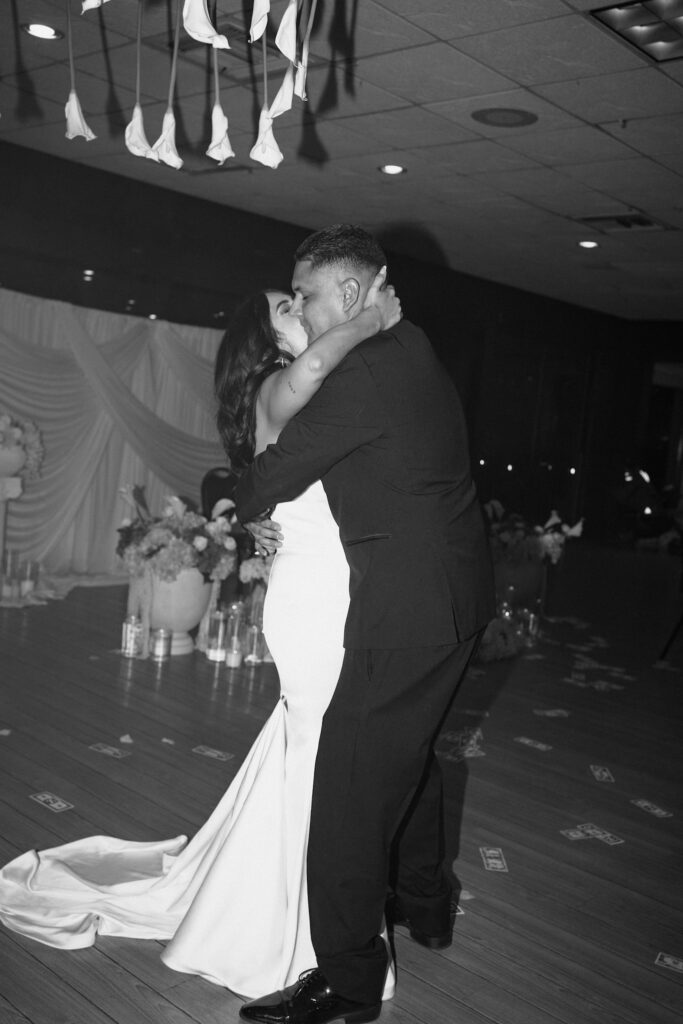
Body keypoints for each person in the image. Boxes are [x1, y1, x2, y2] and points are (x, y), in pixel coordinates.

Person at [0, 277, 401, 1001]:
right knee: (325, 752)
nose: (305, 311)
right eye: (288, 307)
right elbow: (313, 374)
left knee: (320, 754)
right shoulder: (286, 383)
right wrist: (370, 317)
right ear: (269, 342)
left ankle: (311, 920)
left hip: (333, 591)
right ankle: (306, 936)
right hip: (315, 604)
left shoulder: (324, 390)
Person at [234, 224, 495, 1024]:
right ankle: (423, 902)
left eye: (305, 295)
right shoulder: (408, 345)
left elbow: (268, 477)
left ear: (348, 295)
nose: (301, 309)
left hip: (406, 609)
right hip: (449, 598)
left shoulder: (363, 375)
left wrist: (248, 510)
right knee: (403, 755)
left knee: (345, 795)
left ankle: (345, 986)